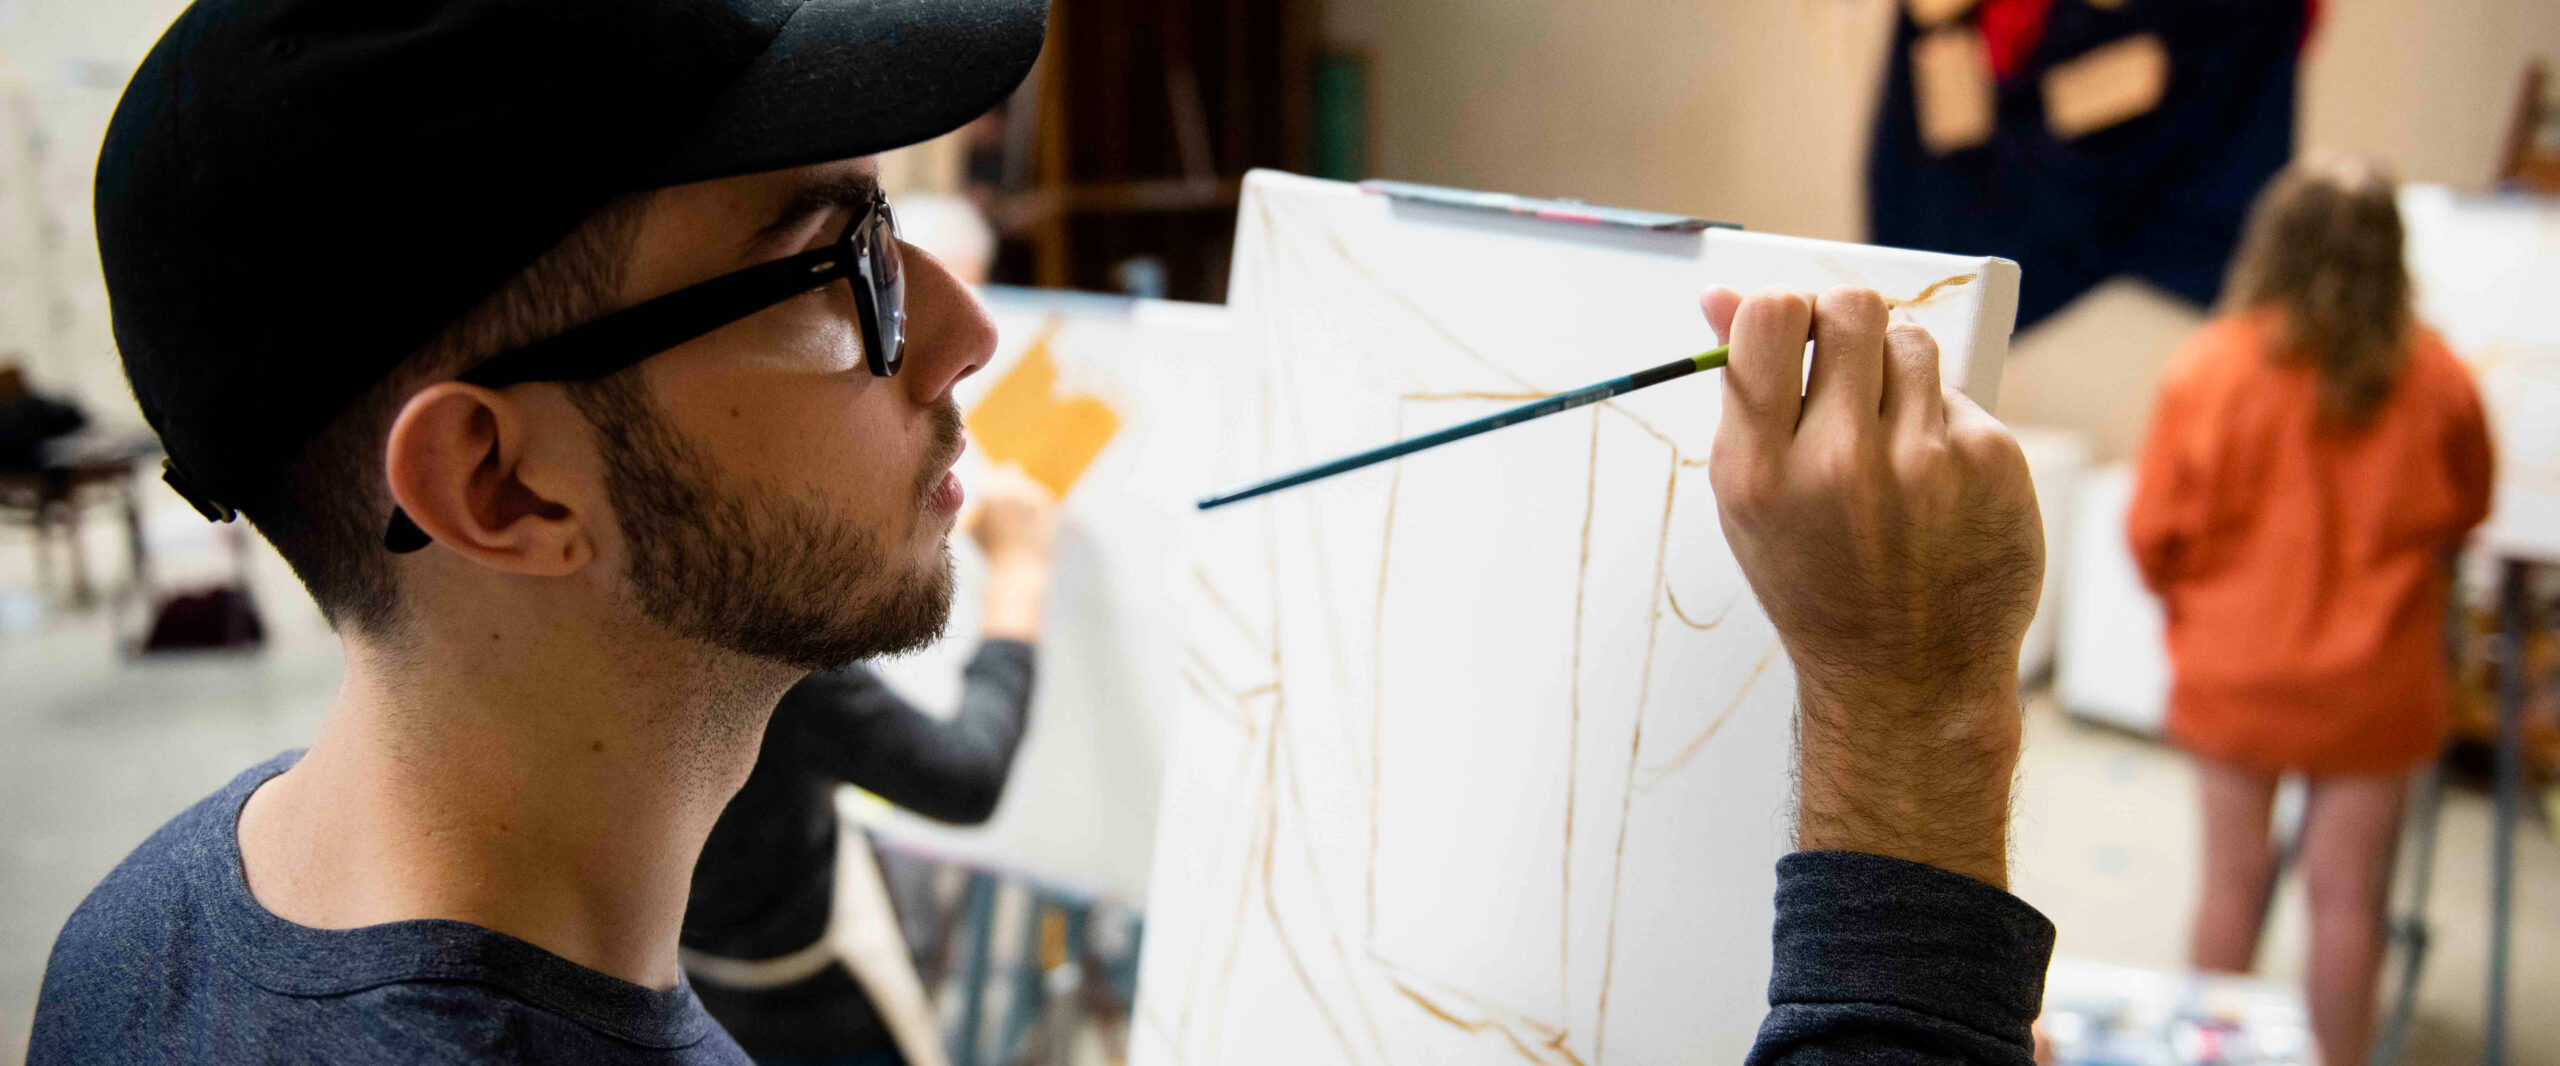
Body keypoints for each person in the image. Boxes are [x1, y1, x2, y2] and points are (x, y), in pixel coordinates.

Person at [31, 2, 2055, 1064]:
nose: (972, 336)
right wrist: (1905, 743)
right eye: (833, 268)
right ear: (499, 485)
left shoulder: (146, 929)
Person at [2128, 156, 2495, 1066]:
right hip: (2376, 680)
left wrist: (2199, 602)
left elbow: (2152, 534)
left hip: (2236, 667)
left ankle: (2209, 1052)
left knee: (2231, 882)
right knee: (2346, 896)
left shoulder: (2209, 367)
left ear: (2274, 241)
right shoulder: (2440, 377)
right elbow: (2467, 510)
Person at [682, 467, 1058, 1064]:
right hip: (810, 1002)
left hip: (690, 973)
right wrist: (1021, 572)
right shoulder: (750, 628)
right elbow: (965, 778)